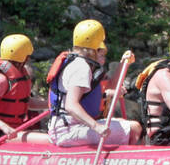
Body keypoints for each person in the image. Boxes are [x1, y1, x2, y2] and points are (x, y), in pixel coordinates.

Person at [46, 19, 143, 148]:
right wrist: (96, 126)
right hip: (68, 131)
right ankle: (130, 163)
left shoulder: (75, 62)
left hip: (67, 127)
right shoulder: (81, 67)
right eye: (98, 49)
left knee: (122, 122)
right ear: (93, 49)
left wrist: (123, 63)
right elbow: (71, 105)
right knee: (134, 128)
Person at [0, 34, 51, 144]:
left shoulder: (20, 75)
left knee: (47, 136)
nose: (29, 58)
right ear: (24, 57)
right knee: (48, 140)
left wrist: (50, 104)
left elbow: (27, 103)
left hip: (15, 132)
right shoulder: (0, 80)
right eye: (28, 56)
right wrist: (4, 127)